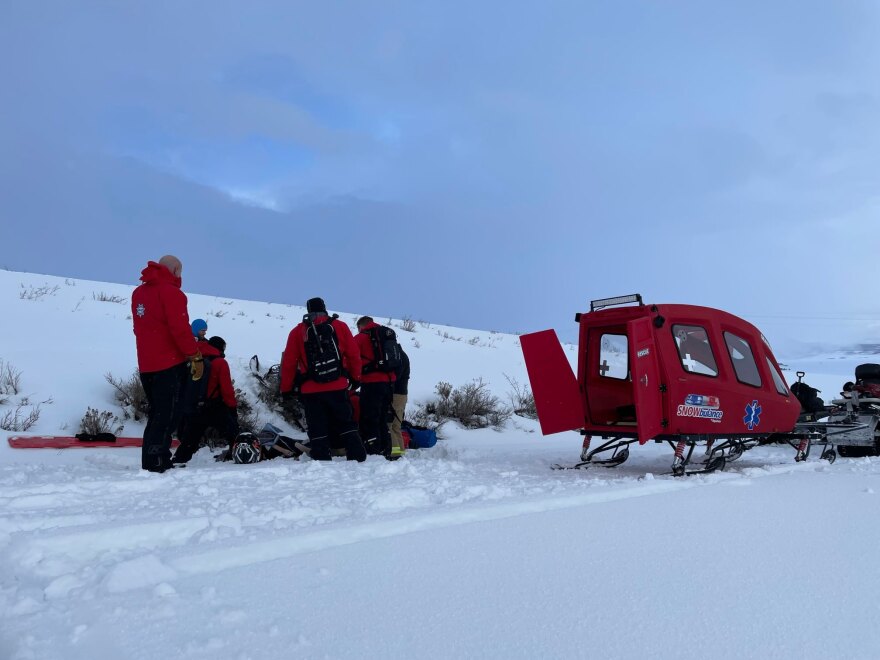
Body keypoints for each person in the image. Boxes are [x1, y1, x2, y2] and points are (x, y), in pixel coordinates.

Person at [131, 255, 202, 473]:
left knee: (157, 413)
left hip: (146, 364)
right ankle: (157, 460)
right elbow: (180, 329)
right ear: (176, 270)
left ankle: (151, 458)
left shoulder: (138, 293)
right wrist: (194, 354)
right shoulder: (172, 293)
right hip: (168, 364)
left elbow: (138, 329)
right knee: (168, 414)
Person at [280, 297, 366, 462]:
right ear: (325, 308)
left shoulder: (298, 332)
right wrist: (356, 378)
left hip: (310, 389)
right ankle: (357, 455)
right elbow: (354, 355)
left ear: (308, 310)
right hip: (338, 385)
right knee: (345, 422)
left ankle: (321, 457)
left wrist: (286, 389)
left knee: (316, 425)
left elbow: (289, 363)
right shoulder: (339, 326)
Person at [172, 336, 239, 465]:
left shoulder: (196, 359)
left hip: (196, 406)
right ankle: (239, 454)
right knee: (233, 432)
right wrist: (232, 407)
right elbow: (226, 389)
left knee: (191, 437)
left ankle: (178, 460)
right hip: (215, 406)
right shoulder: (220, 362)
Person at [355, 316, 397, 458]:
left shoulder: (360, 338)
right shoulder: (386, 335)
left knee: (369, 417)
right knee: (382, 418)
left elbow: (351, 359)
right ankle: (386, 449)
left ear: (361, 326)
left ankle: (373, 450)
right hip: (388, 383)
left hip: (371, 383)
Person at [387, 345, 410, 458]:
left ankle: (394, 453)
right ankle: (400, 452)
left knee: (389, 425)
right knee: (397, 426)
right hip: (402, 395)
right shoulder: (403, 355)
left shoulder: (396, 356)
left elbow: (395, 376)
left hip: (395, 395)